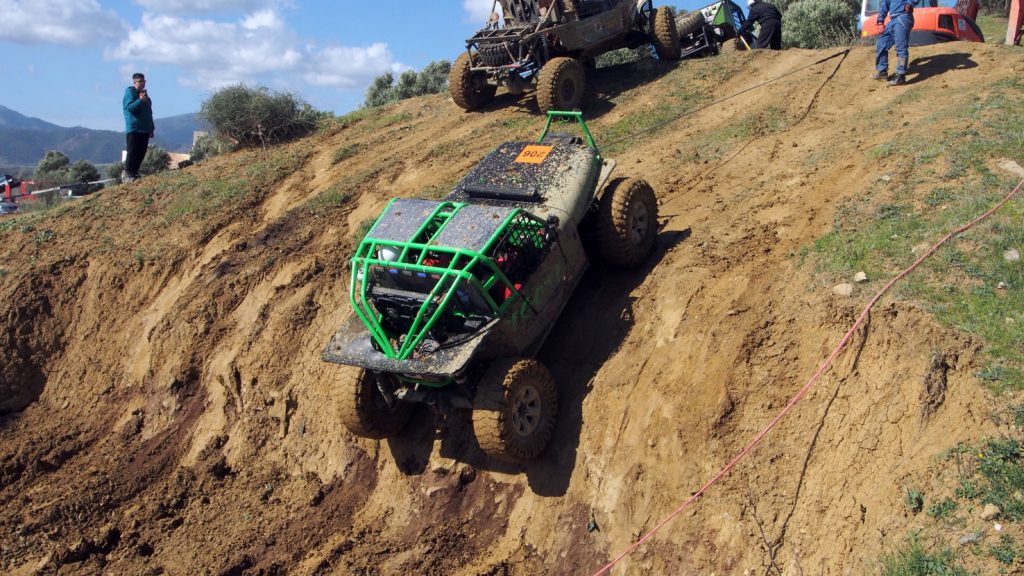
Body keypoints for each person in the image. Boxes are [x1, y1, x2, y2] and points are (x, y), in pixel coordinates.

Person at [873, 0, 917, 85]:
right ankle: (882, 72)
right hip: (893, 20)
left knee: (901, 47)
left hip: (903, 17)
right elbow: (884, 5)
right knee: (881, 42)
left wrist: (910, 4)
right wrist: (880, 21)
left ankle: (901, 75)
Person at [122, 72, 154, 183]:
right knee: (133, 151)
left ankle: (135, 172)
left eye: (143, 81)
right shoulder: (130, 92)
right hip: (134, 128)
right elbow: (130, 108)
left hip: (145, 129)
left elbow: (149, 113)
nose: (141, 83)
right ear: (134, 82)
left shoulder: (147, 98)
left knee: (142, 151)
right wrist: (140, 100)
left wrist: (151, 128)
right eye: (139, 81)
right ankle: (127, 173)